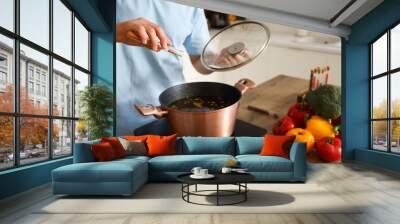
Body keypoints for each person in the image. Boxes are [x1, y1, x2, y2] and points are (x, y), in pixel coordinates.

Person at [116, 0, 248, 135]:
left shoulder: (191, 5)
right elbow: (93, 33)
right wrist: (117, 31)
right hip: (111, 113)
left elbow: (199, 62)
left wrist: (218, 61)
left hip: (173, 111)